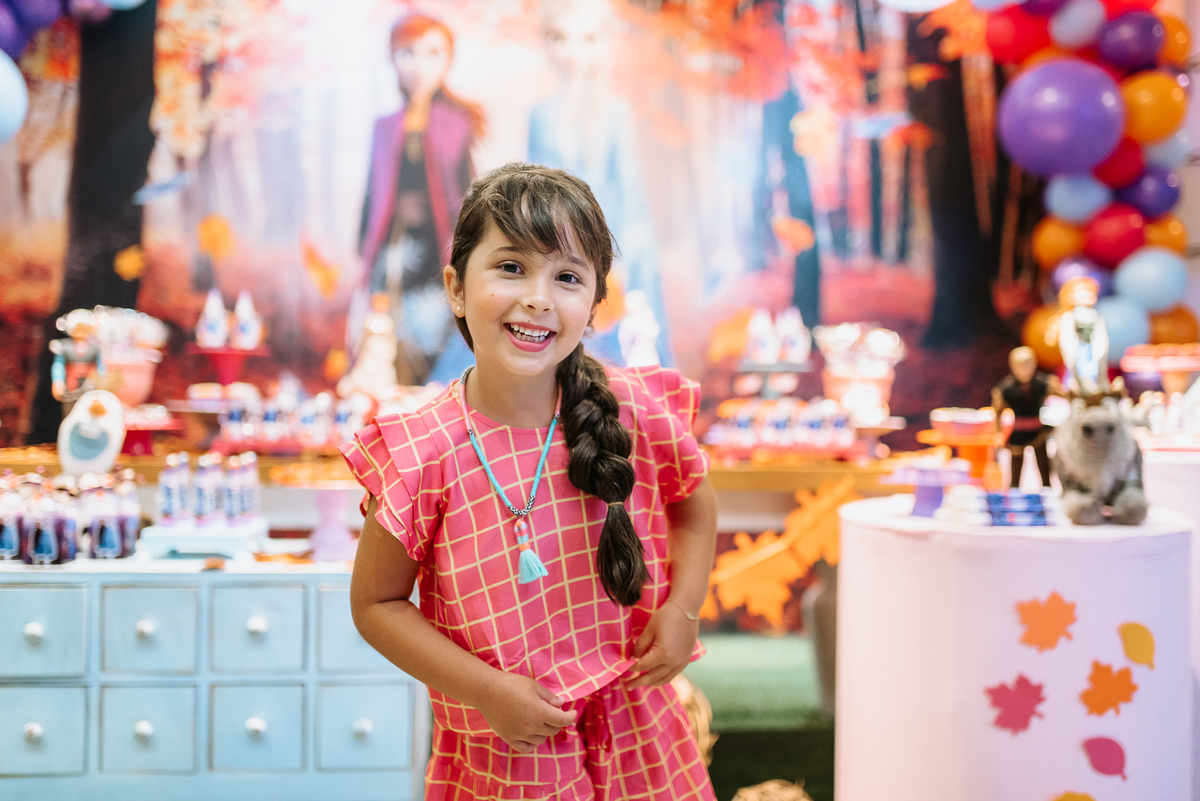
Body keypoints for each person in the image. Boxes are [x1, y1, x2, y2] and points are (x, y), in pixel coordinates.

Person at [341, 163, 717, 800]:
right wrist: (487, 691)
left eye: (566, 277)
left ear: (593, 305)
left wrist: (683, 610)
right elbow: (376, 605)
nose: (539, 298)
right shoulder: (424, 451)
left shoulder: (632, 410)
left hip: (643, 732)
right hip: (513, 751)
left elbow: (694, 503)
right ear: (456, 288)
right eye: (511, 267)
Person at [527, 0, 674, 368]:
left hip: (616, 241)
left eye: (587, 38)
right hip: (558, 242)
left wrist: (618, 256)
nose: (572, 50)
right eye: (559, 38)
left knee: (625, 340)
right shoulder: (540, 115)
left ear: (603, 43)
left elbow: (628, 190)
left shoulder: (613, 111)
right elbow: (532, 190)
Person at [353, 13, 483, 385]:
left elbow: (467, 187)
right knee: (386, 327)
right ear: (393, 59)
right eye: (407, 54)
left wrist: (473, 241)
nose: (419, 67)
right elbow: (373, 189)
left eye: (433, 54)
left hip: (438, 246)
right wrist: (363, 246)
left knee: (435, 326)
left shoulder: (456, 123)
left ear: (448, 60)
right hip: (392, 245)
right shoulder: (386, 126)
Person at [992, 346, 1059, 488]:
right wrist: (998, 433)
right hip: (1018, 433)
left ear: (1034, 365)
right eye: (1020, 366)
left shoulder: (1042, 384)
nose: (1024, 369)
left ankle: (1047, 491)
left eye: (1028, 365)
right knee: (1015, 473)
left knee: (1045, 469)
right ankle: (1014, 493)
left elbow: (1062, 395)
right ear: (1012, 366)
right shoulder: (1006, 388)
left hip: (1038, 432)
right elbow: (997, 412)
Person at [1054, 276, 1108, 395]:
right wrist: (1071, 360)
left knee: (1095, 382)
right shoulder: (1069, 318)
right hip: (1079, 356)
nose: (1089, 294)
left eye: (1092, 292)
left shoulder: (1097, 317)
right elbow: (1066, 341)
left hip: (1093, 357)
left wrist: (1100, 354)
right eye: (1085, 291)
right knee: (1078, 383)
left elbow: (1101, 341)